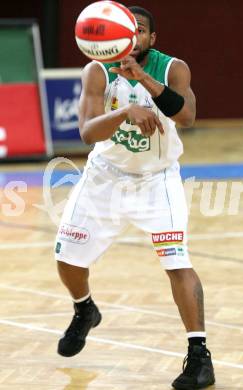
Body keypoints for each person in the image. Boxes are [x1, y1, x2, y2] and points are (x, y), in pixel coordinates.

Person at [55, 5, 215, 389]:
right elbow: (88, 132)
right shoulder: (97, 69)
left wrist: (141, 79)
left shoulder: (172, 67)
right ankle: (85, 309)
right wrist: (126, 112)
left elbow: (188, 117)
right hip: (104, 178)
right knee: (66, 258)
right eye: (129, 29)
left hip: (157, 180)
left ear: (150, 39)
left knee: (177, 262)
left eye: (140, 31)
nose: (134, 36)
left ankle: (199, 357)